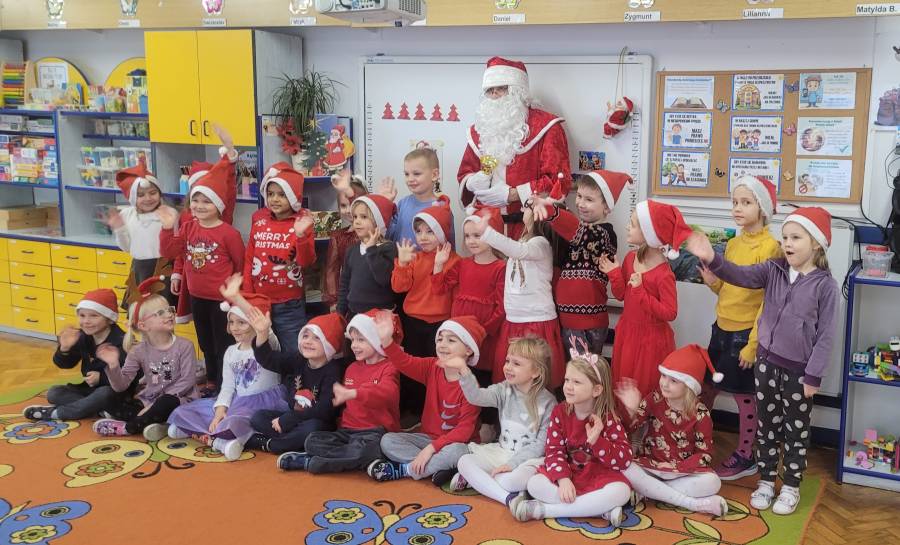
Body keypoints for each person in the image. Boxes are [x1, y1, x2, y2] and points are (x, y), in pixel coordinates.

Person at [685, 206, 838, 515]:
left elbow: (826, 335)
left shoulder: (826, 286)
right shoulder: (773, 269)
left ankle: (791, 486)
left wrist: (814, 376)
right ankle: (766, 480)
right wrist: (712, 257)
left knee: (795, 430)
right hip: (767, 363)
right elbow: (739, 275)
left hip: (799, 372)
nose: (788, 243)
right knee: (767, 426)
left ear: (816, 244)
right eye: (785, 237)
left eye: (796, 238)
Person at [697, 176, 781, 481]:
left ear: (763, 208)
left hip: (746, 335)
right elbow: (727, 289)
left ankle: (747, 455)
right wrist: (713, 283)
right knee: (707, 389)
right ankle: (696, 442)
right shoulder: (732, 243)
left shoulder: (772, 248)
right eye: (734, 202)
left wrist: (753, 345)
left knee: (745, 397)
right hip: (721, 329)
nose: (737, 208)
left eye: (746, 202)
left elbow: (768, 303)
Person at [166, 284, 287, 461]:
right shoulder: (231, 352)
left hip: (264, 404)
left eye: (241, 322)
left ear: (255, 323)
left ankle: (211, 437)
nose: (235, 328)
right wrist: (220, 411)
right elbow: (228, 386)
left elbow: (263, 327)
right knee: (184, 411)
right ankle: (219, 438)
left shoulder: (268, 344)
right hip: (238, 401)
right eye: (231, 322)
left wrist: (237, 298)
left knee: (236, 421)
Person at [458, 56, 571, 239]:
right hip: (486, 229)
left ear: (519, 91)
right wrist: (472, 181)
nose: (495, 95)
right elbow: (465, 173)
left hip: (529, 227)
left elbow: (559, 181)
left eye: (501, 88)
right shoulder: (480, 130)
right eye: (490, 90)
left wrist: (513, 194)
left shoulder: (547, 127)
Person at [158, 158, 245, 395]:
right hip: (197, 297)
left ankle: (226, 384)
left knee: (223, 343)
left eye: (207, 201)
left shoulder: (229, 233)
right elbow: (170, 252)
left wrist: (235, 295)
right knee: (206, 342)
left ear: (218, 204)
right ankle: (212, 380)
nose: (199, 205)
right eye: (195, 200)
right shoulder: (188, 228)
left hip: (222, 300)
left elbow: (240, 265)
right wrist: (167, 228)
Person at [275, 310, 402, 474]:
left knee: (367, 450)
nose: (354, 345)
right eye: (353, 340)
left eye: (361, 340)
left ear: (377, 340)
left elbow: (388, 393)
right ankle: (340, 457)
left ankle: (311, 462)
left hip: (376, 432)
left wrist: (356, 393)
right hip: (347, 432)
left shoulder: (390, 367)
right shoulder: (352, 368)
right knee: (312, 440)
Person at [512, 353, 632, 524]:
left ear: (596, 390)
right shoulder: (559, 412)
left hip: (597, 475)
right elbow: (553, 451)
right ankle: (597, 510)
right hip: (568, 472)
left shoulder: (609, 418)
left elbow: (624, 460)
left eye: (576, 382)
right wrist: (563, 479)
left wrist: (598, 442)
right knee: (534, 484)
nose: (568, 386)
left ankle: (546, 511)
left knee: (622, 492)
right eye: (567, 380)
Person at [366, 313, 482, 486]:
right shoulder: (432, 366)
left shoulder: (471, 386)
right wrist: (387, 341)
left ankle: (405, 470)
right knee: (387, 440)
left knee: (457, 452)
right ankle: (438, 468)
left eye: (451, 340)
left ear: (469, 350)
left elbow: (464, 431)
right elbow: (404, 362)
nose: (442, 344)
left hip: (458, 444)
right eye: (440, 339)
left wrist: (431, 449)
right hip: (428, 439)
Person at [616, 345, 728, 517]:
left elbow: (704, 454)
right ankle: (687, 501)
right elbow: (629, 430)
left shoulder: (701, 414)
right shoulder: (653, 399)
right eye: (663, 376)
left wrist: (677, 466)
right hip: (650, 466)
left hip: (681, 472)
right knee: (624, 466)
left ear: (689, 387)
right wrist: (631, 411)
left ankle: (646, 492)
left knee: (713, 482)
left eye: (673, 381)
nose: (664, 383)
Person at [532, 170, 631, 355]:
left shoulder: (605, 235)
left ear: (606, 207)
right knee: (575, 369)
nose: (580, 203)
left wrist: (552, 211)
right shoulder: (572, 233)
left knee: (586, 370)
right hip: (565, 320)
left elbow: (581, 234)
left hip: (590, 323)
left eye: (589, 199)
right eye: (579, 196)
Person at [467, 204, 565, 387]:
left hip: (535, 320)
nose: (522, 208)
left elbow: (518, 251)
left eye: (527, 206)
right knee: (512, 375)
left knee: (533, 377)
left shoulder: (541, 243)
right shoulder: (523, 240)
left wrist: (487, 232)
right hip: (514, 319)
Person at [450, 336, 556, 506]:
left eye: (516, 363)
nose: (508, 367)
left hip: (528, 459)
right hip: (500, 453)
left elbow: (540, 445)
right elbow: (476, 397)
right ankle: (507, 498)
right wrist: (464, 372)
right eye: (507, 361)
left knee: (512, 481)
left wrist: (512, 464)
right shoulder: (503, 389)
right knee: (464, 461)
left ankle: (480, 481)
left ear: (536, 372)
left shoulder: (549, 402)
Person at [599, 200, 687, 397]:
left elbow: (670, 312)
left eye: (632, 224)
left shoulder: (664, 274)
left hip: (650, 342)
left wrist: (640, 292)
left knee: (644, 389)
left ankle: (642, 418)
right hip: (627, 334)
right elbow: (621, 295)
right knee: (623, 385)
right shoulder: (631, 258)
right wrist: (614, 273)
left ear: (649, 233)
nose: (627, 227)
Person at [92, 278, 198, 440]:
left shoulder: (185, 346)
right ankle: (151, 422)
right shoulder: (138, 351)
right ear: (143, 326)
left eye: (169, 309)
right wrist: (113, 366)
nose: (169, 314)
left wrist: (154, 405)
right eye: (160, 313)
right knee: (107, 398)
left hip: (180, 401)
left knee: (166, 402)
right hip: (149, 400)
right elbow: (121, 386)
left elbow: (187, 381)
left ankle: (129, 427)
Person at [23, 289, 134, 422]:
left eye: (94, 316)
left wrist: (101, 378)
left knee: (104, 393)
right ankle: (100, 409)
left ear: (110, 319)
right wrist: (64, 348)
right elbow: (66, 364)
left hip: (115, 392)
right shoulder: (82, 336)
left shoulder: (122, 341)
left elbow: (130, 377)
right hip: (89, 390)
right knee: (54, 392)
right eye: (82, 316)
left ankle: (57, 413)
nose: (86, 321)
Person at [245, 311, 345, 455]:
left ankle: (272, 444)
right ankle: (293, 443)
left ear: (330, 344)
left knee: (312, 428)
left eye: (317, 338)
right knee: (258, 417)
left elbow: (326, 411)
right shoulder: (299, 359)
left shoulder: (333, 370)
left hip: (318, 421)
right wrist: (262, 333)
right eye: (305, 336)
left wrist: (290, 419)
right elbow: (269, 359)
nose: (308, 341)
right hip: (294, 419)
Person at [242, 162, 316, 353]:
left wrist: (301, 236)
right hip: (259, 302)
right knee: (262, 352)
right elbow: (249, 260)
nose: (275, 199)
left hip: (289, 305)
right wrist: (248, 295)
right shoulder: (259, 221)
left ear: (293, 196)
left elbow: (307, 262)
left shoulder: (302, 222)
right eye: (271, 193)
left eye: (282, 195)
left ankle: (294, 376)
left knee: (294, 353)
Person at [432, 207, 506, 389]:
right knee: (459, 373)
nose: (471, 241)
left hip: (485, 333)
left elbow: (502, 307)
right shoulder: (462, 264)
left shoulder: (501, 268)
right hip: (460, 332)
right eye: (467, 236)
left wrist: (483, 331)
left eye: (477, 235)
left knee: (482, 376)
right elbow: (439, 288)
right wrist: (438, 265)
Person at [107, 163, 177, 306]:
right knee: (139, 309)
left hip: (165, 268)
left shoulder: (168, 213)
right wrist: (119, 229)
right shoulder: (127, 214)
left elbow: (175, 246)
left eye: (153, 193)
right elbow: (126, 248)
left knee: (164, 309)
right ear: (133, 197)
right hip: (139, 269)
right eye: (141, 195)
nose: (148, 198)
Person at [336, 194, 398, 318]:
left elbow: (384, 279)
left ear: (378, 222)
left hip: (379, 317)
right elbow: (344, 285)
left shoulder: (388, 248)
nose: (357, 221)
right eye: (355, 217)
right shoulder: (352, 251)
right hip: (354, 314)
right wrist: (339, 314)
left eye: (364, 217)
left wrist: (371, 250)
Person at [381, 148, 453, 247]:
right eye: (407, 174)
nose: (410, 179)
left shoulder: (442, 207)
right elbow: (387, 236)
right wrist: (384, 206)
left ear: (434, 175)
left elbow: (449, 246)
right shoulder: (402, 204)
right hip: (400, 257)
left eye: (416, 174)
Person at [324, 170, 369, 310]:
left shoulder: (373, 232)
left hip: (372, 295)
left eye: (352, 203)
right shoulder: (338, 237)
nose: (349, 210)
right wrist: (333, 300)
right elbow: (332, 270)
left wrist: (349, 191)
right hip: (348, 297)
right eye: (343, 206)